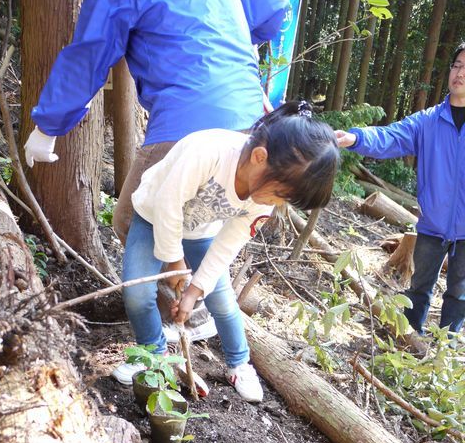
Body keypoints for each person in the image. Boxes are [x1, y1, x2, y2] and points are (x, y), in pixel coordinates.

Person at [23, 0, 288, 343]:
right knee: (197, 221)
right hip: (250, 118)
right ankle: (199, 303)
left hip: (187, 115)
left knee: (134, 218)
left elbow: (91, 52)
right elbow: (270, 12)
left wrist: (48, 127)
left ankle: (191, 314)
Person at [112, 101, 340, 402]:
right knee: (138, 295)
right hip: (152, 217)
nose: (278, 203)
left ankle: (239, 363)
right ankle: (153, 356)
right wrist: (174, 260)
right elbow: (167, 204)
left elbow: (228, 244)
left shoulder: (263, 198)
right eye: (280, 194)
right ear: (260, 157)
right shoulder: (208, 153)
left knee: (222, 300)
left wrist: (194, 290)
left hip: (200, 231)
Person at [335, 42, 465, 337]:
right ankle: (411, 342)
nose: (460, 73)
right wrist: (354, 138)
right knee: (419, 288)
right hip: (432, 225)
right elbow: (390, 136)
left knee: (459, 295)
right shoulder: (429, 121)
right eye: (457, 65)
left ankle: (444, 353)